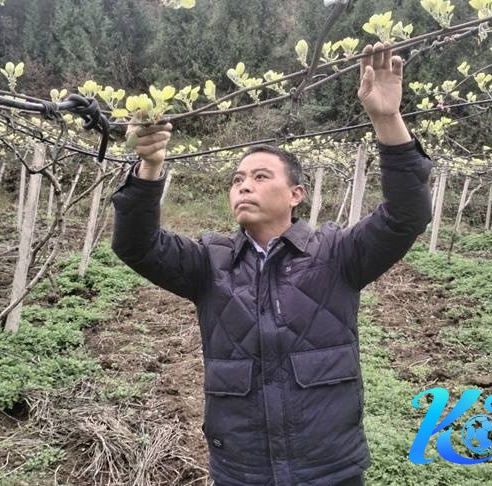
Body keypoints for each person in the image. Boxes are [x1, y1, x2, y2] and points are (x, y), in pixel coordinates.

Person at [111, 42, 433, 485]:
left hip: (328, 470)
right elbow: (137, 245)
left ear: (296, 194)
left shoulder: (336, 254)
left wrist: (387, 119)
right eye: (237, 179)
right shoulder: (210, 263)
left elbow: (406, 215)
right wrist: (149, 167)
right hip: (242, 471)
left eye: (261, 177)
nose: (244, 186)